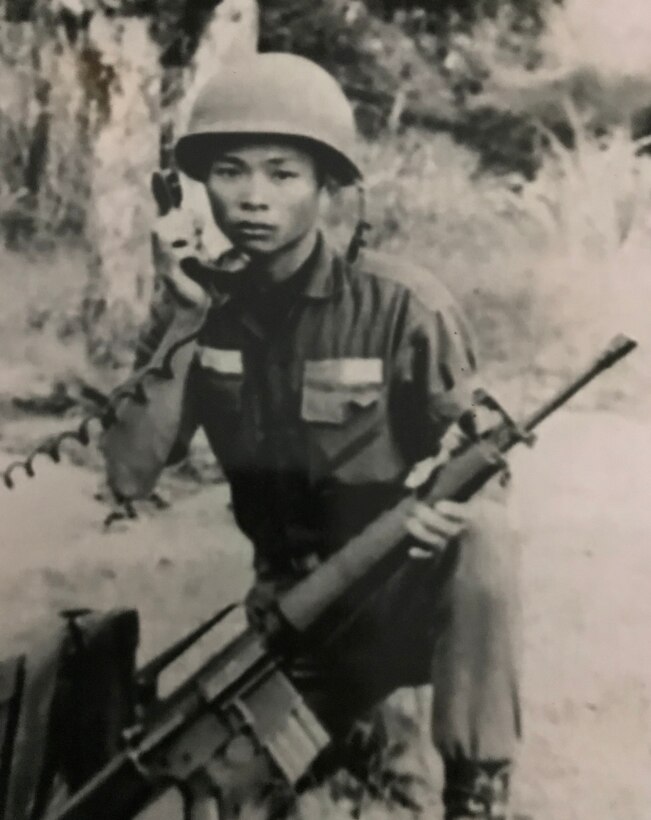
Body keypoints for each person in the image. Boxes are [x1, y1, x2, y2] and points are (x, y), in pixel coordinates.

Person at [102, 52, 523, 820]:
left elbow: (485, 454)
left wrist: (448, 513)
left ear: (328, 186)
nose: (253, 198)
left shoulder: (401, 305)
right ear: (193, 190)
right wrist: (186, 321)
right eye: (229, 172)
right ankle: (352, 742)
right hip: (284, 610)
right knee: (209, 795)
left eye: (282, 174)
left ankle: (476, 790)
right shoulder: (191, 311)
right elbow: (129, 474)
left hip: (389, 591)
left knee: (485, 535)